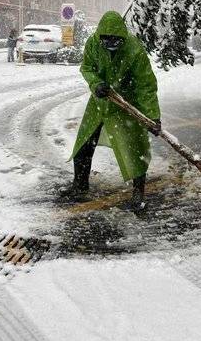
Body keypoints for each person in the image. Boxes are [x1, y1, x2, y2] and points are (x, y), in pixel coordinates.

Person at [66, 11, 161, 212]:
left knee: (135, 149)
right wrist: (96, 83)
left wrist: (152, 115)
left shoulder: (134, 50)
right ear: (100, 36)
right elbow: (87, 67)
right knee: (84, 145)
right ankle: (80, 185)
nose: (110, 43)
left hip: (127, 106)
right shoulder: (93, 44)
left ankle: (138, 191)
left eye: (115, 40)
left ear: (122, 38)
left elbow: (146, 85)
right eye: (106, 40)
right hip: (100, 104)